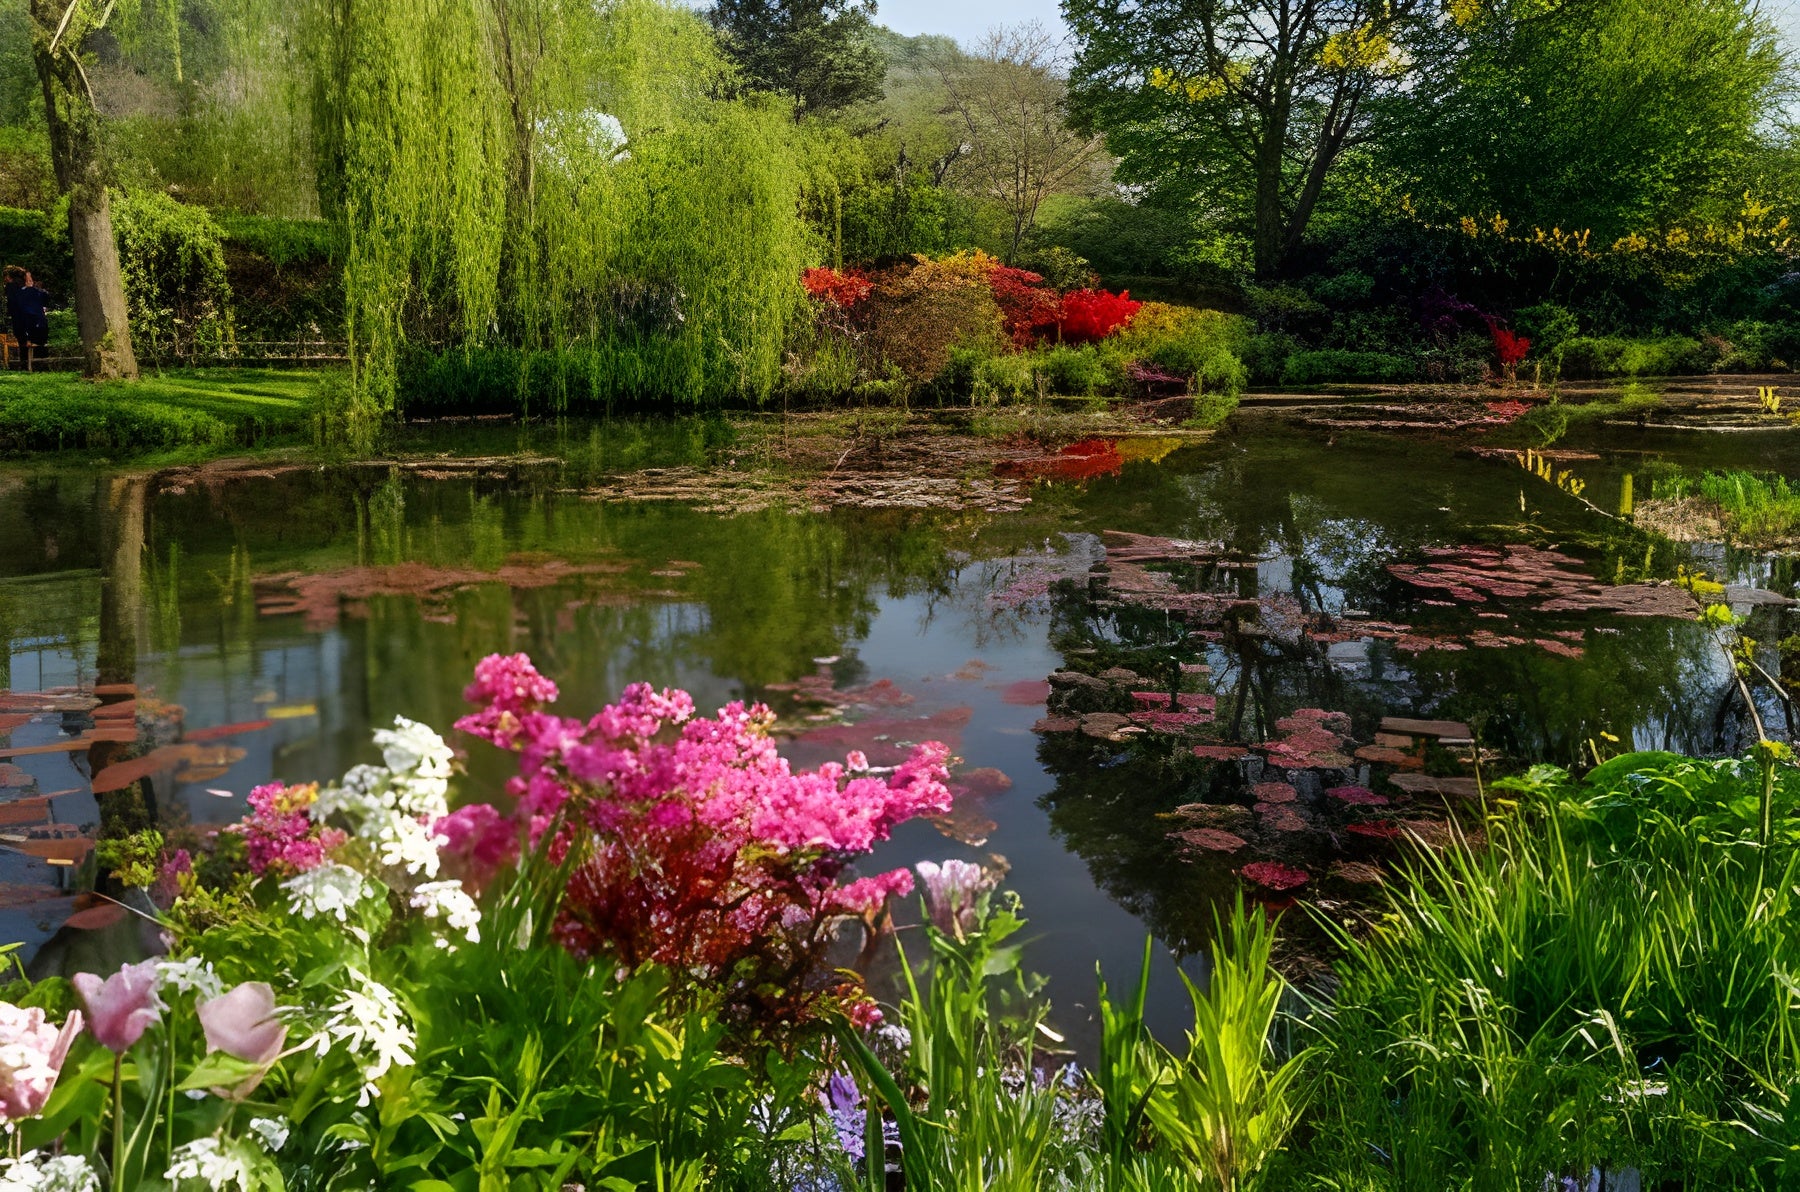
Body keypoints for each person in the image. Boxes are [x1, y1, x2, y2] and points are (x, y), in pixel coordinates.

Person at [5, 266, 50, 371]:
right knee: (39, 348)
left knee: (27, 347)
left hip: (25, 322)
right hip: (34, 322)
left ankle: (28, 367)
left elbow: (14, 307)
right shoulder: (29, 291)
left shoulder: (15, 290)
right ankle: (40, 368)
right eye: (29, 279)